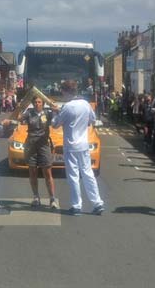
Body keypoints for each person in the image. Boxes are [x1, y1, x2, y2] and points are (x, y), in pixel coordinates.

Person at [52, 80, 105, 216]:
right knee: (88, 174)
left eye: (62, 92)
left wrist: (55, 113)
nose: (62, 94)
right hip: (83, 145)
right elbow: (92, 120)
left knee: (73, 176)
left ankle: (77, 206)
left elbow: (55, 125)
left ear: (66, 91)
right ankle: (97, 203)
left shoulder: (66, 107)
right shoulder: (85, 104)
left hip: (70, 146)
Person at [19, 96, 58, 209]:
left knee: (47, 172)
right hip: (31, 145)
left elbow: (58, 116)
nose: (37, 104)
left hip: (44, 145)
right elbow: (19, 118)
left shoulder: (48, 113)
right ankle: (36, 197)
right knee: (32, 171)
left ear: (43, 104)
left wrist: (54, 107)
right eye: (35, 102)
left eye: (39, 102)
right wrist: (20, 109)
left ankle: (52, 198)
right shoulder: (29, 113)